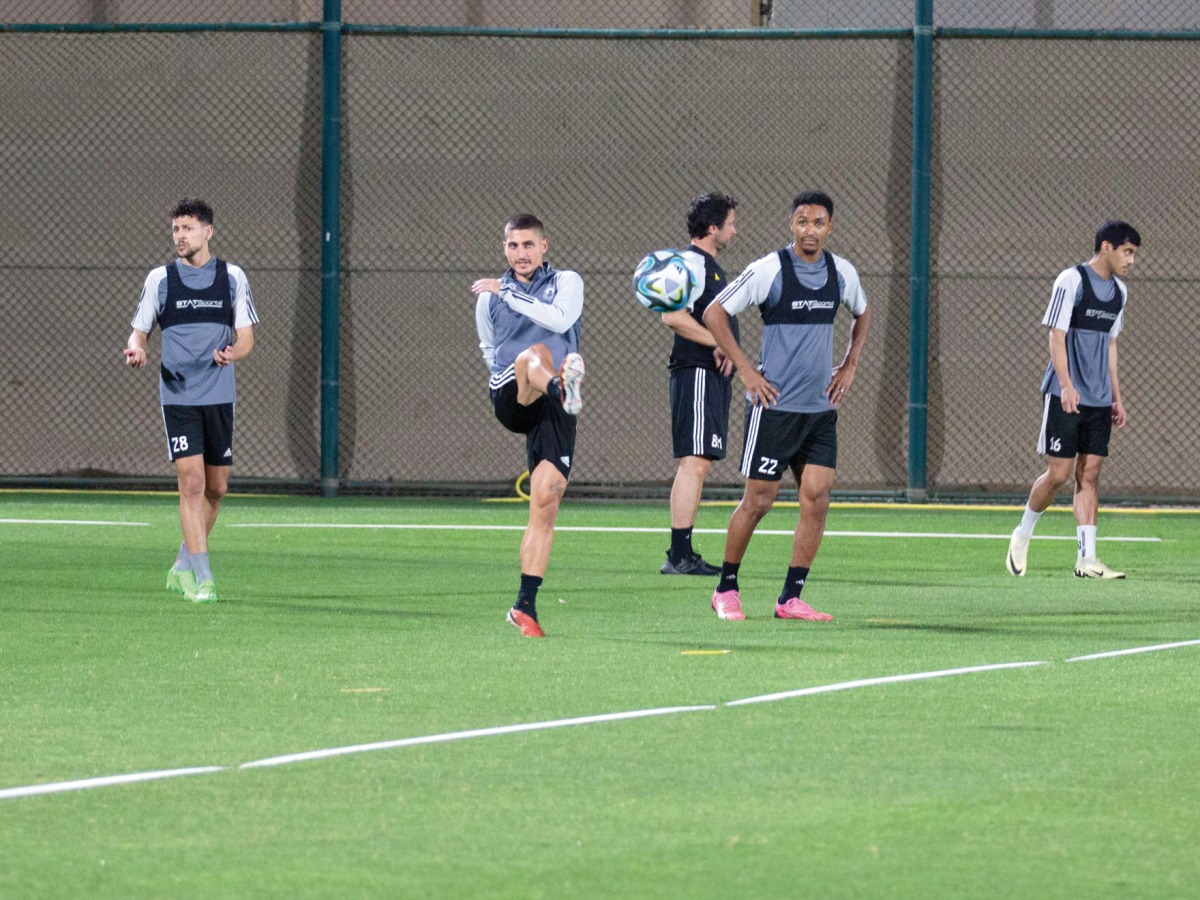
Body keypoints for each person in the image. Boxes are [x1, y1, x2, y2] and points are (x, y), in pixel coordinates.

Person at [701, 190, 870, 621]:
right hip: (773, 407)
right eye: (801, 222)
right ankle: (726, 589)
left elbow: (862, 313)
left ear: (829, 227)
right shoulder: (769, 269)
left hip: (819, 410)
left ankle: (789, 599)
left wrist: (850, 363)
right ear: (790, 225)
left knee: (817, 498)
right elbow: (715, 313)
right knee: (759, 501)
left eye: (818, 223)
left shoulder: (842, 273)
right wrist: (745, 368)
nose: (809, 230)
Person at [123, 198, 259, 603]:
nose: (180, 236)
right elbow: (139, 331)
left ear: (207, 232)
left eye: (187, 228)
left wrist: (235, 352)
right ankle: (203, 579)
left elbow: (247, 335)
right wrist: (137, 348)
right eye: (175, 229)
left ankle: (181, 565)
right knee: (193, 483)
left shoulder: (232, 277)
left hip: (219, 396)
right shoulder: (160, 280)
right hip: (178, 394)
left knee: (217, 488)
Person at [1006, 220, 1140, 579]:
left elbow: (1111, 345)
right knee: (1059, 474)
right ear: (1106, 247)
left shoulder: (1120, 293)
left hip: (1098, 400)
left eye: (1134, 254)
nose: (1131, 260)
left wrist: (1116, 397)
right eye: (1127, 252)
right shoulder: (1072, 281)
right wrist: (1066, 385)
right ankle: (1023, 533)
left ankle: (1087, 560)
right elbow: (1056, 335)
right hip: (1064, 395)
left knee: (1090, 475)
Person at [472, 213, 585, 638]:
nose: (521, 253)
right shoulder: (489, 297)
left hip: (554, 401)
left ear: (544, 247)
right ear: (505, 249)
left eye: (528, 245)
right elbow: (488, 344)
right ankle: (559, 384)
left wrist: (507, 293)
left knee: (547, 498)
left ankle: (524, 607)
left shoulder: (568, 282)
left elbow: (559, 320)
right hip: (513, 389)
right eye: (513, 246)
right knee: (531, 353)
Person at [659, 192, 740, 577]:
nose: (734, 230)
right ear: (713, 227)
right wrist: (721, 343)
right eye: (731, 223)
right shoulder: (690, 264)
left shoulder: (709, 267)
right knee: (694, 462)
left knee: (698, 463)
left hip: (709, 377)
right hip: (695, 373)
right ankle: (679, 555)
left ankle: (681, 553)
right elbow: (671, 317)